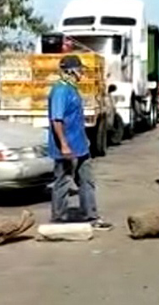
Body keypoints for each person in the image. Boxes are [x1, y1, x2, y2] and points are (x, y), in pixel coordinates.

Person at [48, 55, 113, 230]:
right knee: (63, 181)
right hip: (66, 147)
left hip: (80, 146)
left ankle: (90, 216)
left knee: (87, 180)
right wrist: (64, 144)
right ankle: (58, 218)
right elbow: (57, 120)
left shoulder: (72, 89)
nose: (81, 73)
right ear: (69, 70)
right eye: (79, 69)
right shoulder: (60, 91)